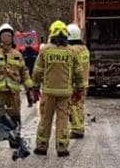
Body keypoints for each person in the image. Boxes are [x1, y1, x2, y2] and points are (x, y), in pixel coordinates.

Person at [31, 20, 82, 157]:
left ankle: (42, 146)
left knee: (45, 119)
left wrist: (35, 87)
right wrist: (79, 90)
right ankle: (62, 147)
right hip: (65, 93)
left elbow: (37, 71)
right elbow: (78, 72)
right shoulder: (71, 52)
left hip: (48, 92)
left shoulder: (45, 51)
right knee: (63, 120)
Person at [0, 23, 34, 142]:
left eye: (9, 36)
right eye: (4, 36)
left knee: (15, 115)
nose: (7, 38)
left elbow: (24, 71)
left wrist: (29, 86)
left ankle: (15, 138)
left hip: (13, 93)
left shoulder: (17, 54)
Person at [66, 23, 90, 139]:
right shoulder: (84, 49)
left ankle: (77, 129)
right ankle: (79, 127)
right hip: (84, 82)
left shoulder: (72, 50)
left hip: (75, 83)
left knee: (74, 106)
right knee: (79, 105)